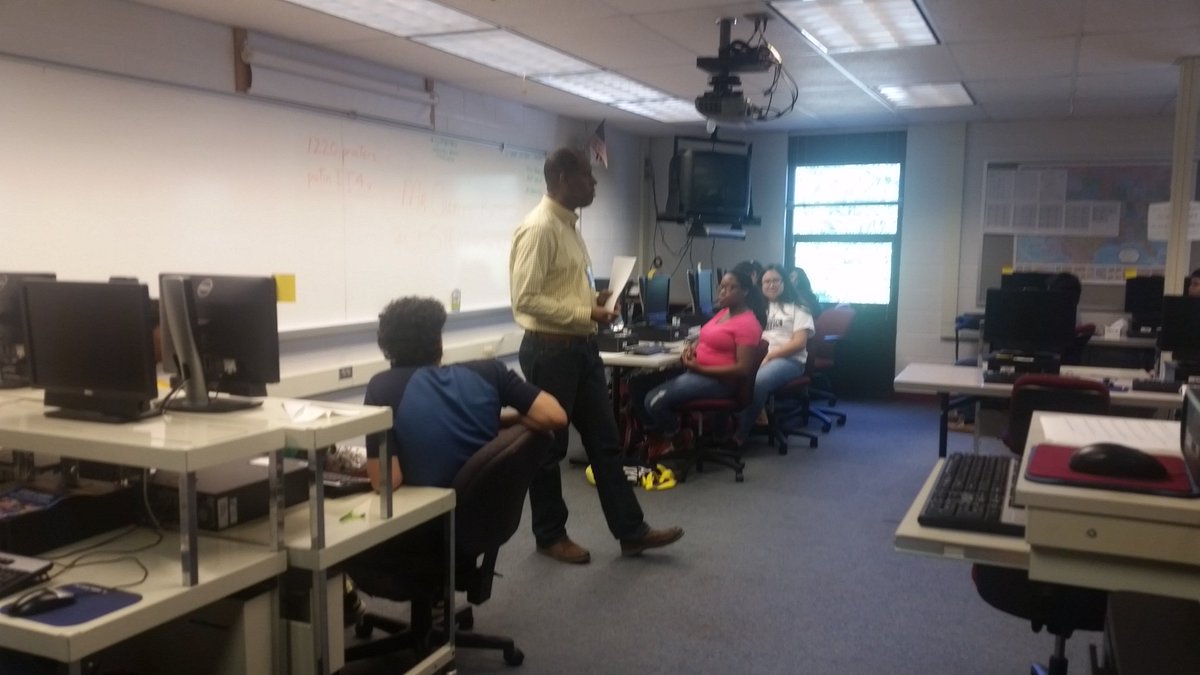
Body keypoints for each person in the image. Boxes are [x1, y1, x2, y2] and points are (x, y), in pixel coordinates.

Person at [510, 147, 683, 564]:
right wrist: (586, 310)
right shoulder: (539, 228)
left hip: (581, 349)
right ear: (564, 178)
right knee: (549, 450)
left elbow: (560, 289)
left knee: (606, 445)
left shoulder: (570, 227)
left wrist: (594, 298)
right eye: (588, 175)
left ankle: (631, 532)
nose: (595, 183)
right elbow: (526, 298)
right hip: (550, 352)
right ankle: (550, 535)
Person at [362, 296, 567, 491]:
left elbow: (386, 482)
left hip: (427, 518)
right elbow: (556, 415)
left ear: (387, 347)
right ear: (438, 343)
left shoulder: (381, 389)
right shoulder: (490, 372)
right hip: (484, 512)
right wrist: (510, 422)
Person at [636, 268, 766, 460]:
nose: (723, 292)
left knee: (653, 402)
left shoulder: (748, 324)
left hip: (719, 381)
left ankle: (677, 437)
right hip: (697, 372)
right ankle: (656, 438)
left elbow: (742, 369)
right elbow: (706, 336)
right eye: (721, 287)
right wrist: (693, 348)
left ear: (745, 292)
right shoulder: (723, 313)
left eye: (731, 288)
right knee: (637, 384)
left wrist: (700, 368)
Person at [727, 264, 815, 449]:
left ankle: (740, 434)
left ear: (784, 283)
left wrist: (770, 356)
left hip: (789, 360)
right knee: (727, 374)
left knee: (758, 381)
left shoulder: (799, 308)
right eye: (766, 281)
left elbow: (799, 342)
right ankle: (726, 428)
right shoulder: (757, 308)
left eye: (776, 280)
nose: (771, 285)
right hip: (758, 356)